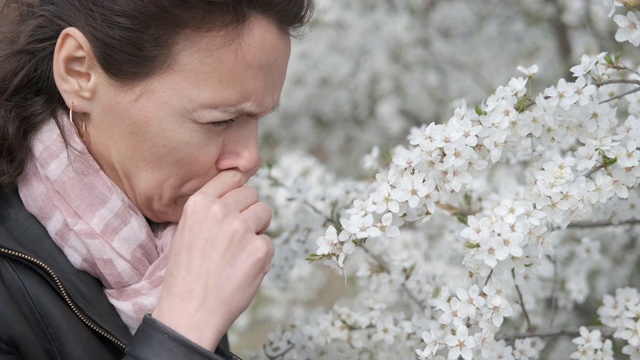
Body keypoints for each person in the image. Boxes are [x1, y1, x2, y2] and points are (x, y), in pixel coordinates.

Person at [0, 0, 313, 358]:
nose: (250, 159)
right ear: (79, 72)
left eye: (259, 118)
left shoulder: (158, 245)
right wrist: (184, 328)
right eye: (220, 121)